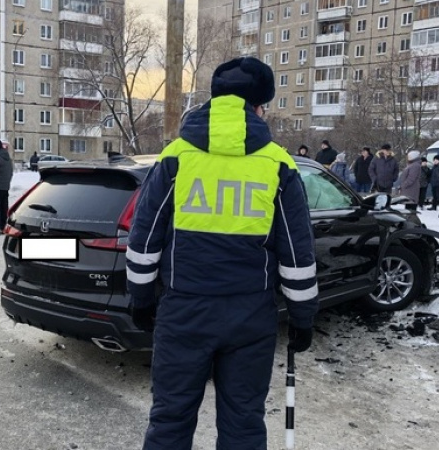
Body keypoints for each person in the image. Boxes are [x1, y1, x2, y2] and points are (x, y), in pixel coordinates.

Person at [126, 56, 318, 450]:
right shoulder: (279, 165)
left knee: (170, 420)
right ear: (259, 107)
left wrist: (141, 299)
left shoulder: (176, 158)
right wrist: (303, 318)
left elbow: (144, 241)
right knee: (244, 424)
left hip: (183, 313)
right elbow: (297, 258)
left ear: (214, 99)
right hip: (250, 318)